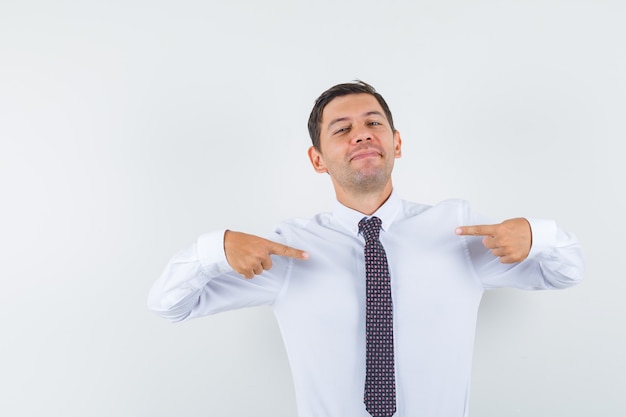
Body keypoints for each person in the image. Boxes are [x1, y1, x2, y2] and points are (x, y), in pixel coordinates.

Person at [148, 81, 584, 417]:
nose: (361, 135)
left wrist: (537, 236)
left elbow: (566, 272)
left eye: (374, 123)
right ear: (317, 159)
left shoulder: (457, 234)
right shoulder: (287, 252)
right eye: (342, 129)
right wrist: (215, 249)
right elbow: (171, 306)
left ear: (397, 142)